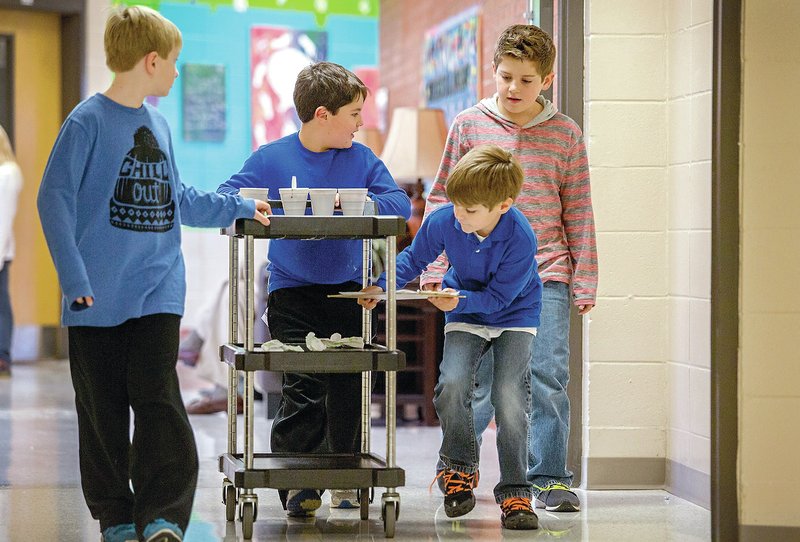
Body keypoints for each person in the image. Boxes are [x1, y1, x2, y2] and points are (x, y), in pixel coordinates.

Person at [36, 6, 270, 542]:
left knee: (159, 398)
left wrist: (234, 207)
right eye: (174, 63)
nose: (177, 73)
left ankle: (163, 515)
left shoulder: (156, 123)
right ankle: (117, 517)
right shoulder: (86, 122)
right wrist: (74, 282)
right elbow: (54, 201)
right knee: (102, 413)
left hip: (158, 289)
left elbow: (178, 198)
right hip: (93, 297)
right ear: (151, 60)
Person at [217, 61, 411, 517]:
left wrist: (353, 201)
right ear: (322, 114)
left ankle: (345, 479)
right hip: (291, 294)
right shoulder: (272, 157)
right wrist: (257, 203)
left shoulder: (361, 160)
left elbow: (398, 203)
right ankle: (299, 484)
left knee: (347, 384)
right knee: (303, 385)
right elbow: (228, 195)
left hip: (346, 292)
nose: (361, 122)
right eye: (354, 113)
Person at [422, 24, 597, 513]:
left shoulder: (565, 135)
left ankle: (548, 478)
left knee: (546, 376)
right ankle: (460, 470)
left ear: (547, 79)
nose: (514, 89)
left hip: (546, 275)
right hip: (476, 278)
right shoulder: (467, 126)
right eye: (506, 77)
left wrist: (584, 278)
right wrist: (435, 265)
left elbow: (578, 210)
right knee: (470, 382)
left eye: (526, 79)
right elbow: (441, 201)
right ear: (493, 72)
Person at [359, 144, 542, 530]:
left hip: (514, 314)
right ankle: (459, 471)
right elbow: (413, 258)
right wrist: (380, 286)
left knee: (510, 397)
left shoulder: (522, 238)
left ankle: (515, 493)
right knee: (452, 385)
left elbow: (498, 299)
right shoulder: (446, 218)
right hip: (464, 309)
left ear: (503, 205)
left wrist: (455, 301)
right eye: (457, 205)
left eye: (470, 210)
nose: (459, 216)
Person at [0, 124, 22, 378]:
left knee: (1, 303)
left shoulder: (8, 173)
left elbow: (3, 218)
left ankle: (3, 355)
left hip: (1, 250)